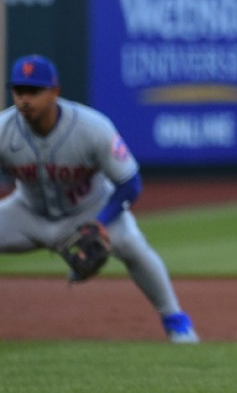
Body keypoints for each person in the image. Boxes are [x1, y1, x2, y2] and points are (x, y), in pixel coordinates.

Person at [0, 54, 199, 343]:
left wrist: (102, 221)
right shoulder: (4, 130)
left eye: (34, 91)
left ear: (55, 91)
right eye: (19, 91)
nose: (24, 100)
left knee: (132, 244)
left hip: (89, 210)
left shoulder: (91, 128)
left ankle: (176, 321)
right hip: (27, 214)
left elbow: (130, 183)